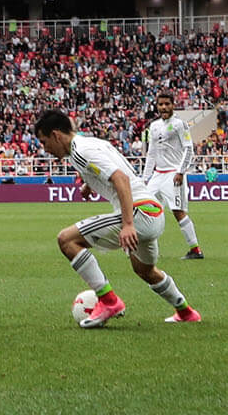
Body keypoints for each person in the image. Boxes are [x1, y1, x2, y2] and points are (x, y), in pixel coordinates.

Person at [34, 109, 199, 327]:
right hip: (153, 211)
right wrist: (88, 184)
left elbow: (120, 178)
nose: (45, 149)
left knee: (67, 240)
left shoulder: (82, 149)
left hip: (138, 214)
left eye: (44, 142)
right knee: (145, 271)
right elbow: (117, 168)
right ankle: (186, 312)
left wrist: (128, 224)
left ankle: (108, 300)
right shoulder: (90, 144)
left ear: (56, 135)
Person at [141, 93, 203, 259]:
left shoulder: (180, 124)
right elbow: (151, 153)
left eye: (167, 104)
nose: (163, 107)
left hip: (173, 174)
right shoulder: (153, 126)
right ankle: (144, 249)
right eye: (160, 104)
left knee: (178, 211)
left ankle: (195, 249)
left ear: (173, 105)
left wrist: (181, 171)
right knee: (143, 208)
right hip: (157, 175)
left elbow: (188, 148)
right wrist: (145, 178)